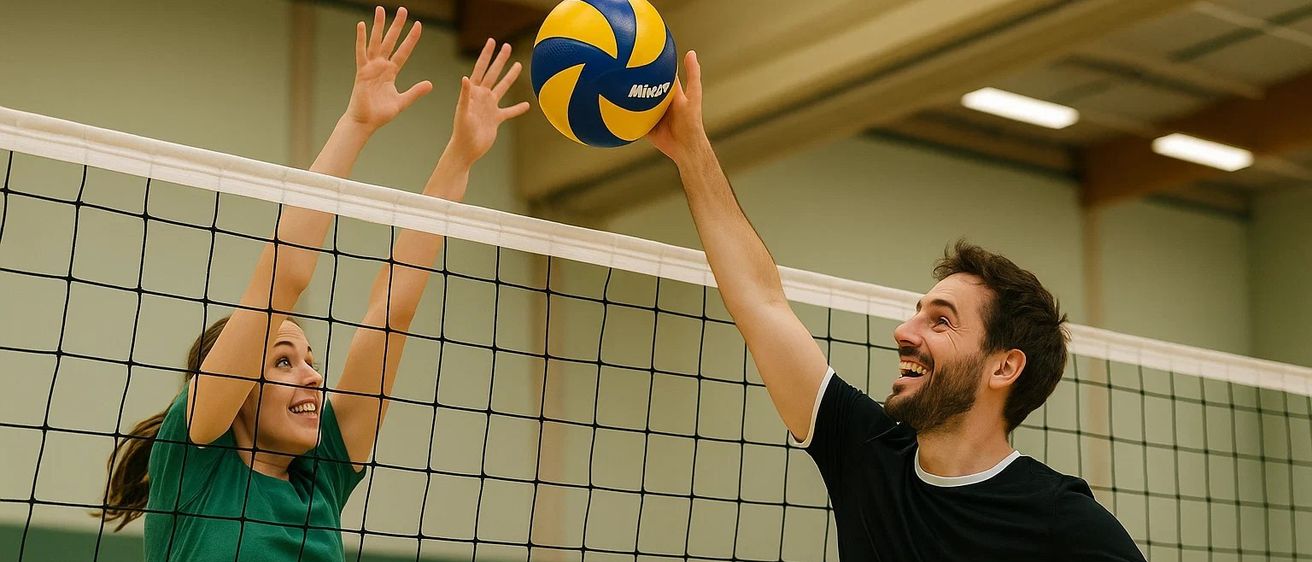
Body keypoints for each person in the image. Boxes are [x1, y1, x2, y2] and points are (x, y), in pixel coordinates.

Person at [646, 50, 1147, 561]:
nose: (904, 332)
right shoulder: (866, 453)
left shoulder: (1060, 520)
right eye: (917, 311)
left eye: (941, 321)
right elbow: (761, 303)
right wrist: (691, 151)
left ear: (1004, 366)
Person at [95, 7, 530, 562]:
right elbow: (283, 278)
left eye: (306, 358)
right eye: (283, 361)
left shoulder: (321, 476)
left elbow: (391, 309)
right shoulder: (196, 457)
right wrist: (358, 122)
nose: (312, 375)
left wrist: (460, 156)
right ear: (236, 392)